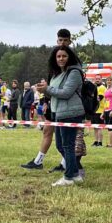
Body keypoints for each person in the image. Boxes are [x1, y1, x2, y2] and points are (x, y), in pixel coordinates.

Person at [21, 28, 73, 169]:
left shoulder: (72, 62)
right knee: (47, 130)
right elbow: (51, 83)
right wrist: (45, 101)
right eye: (60, 40)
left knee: (64, 137)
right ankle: (38, 161)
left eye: (65, 40)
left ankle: (66, 163)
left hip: (67, 105)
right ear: (57, 41)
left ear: (70, 41)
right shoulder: (55, 59)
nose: (62, 43)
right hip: (52, 102)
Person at [38, 45, 84, 186]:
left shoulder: (74, 72)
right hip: (59, 112)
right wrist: (44, 90)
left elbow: (66, 93)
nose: (61, 59)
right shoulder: (58, 73)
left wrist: (48, 89)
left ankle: (68, 177)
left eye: (64, 56)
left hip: (71, 113)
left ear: (69, 57)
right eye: (58, 56)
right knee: (60, 145)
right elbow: (54, 93)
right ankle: (75, 174)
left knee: (67, 146)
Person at [102, 81, 112, 148]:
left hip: (111, 110)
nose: (108, 82)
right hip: (106, 110)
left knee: (110, 128)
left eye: (110, 81)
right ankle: (110, 143)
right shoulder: (106, 89)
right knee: (108, 128)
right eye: (107, 80)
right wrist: (103, 112)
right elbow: (105, 101)